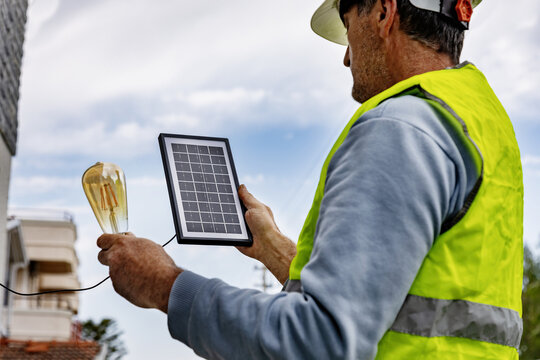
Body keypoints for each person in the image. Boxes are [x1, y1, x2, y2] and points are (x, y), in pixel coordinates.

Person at [96, 0, 524, 358]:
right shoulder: (478, 121)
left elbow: (319, 343)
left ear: (382, 13)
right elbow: (403, 306)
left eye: (347, 25)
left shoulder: (401, 129)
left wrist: (166, 286)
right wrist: (274, 248)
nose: (345, 55)